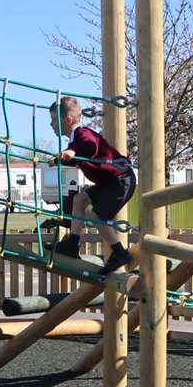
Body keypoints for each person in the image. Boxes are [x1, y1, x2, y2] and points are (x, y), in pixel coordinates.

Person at [46, 96, 137, 274]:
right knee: (79, 199)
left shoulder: (83, 135)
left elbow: (90, 147)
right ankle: (72, 244)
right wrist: (60, 160)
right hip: (109, 181)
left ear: (67, 119)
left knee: (97, 216)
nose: (51, 125)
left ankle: (120, 253)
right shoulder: (75, 140)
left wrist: (72, 151)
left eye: (53, 120)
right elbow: (80, 159)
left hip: (120, 181)